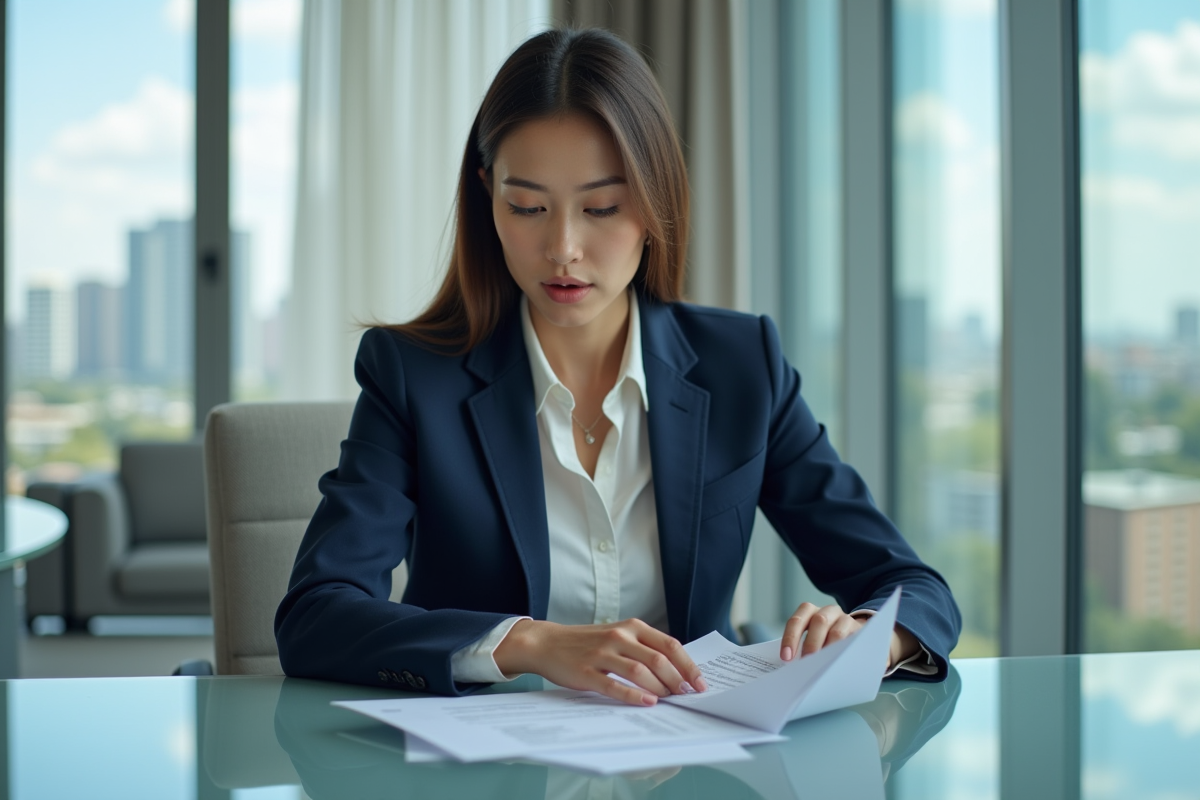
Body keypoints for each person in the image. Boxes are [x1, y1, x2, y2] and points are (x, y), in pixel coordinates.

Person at [275, 27, 961, 706]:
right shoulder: (413, 375)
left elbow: (914, 588)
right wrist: (531, 644)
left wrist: (871, 634)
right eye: (527, 207)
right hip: (483, 770)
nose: (563, 248)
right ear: (488, 197)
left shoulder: (741, 366)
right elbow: (315, 616)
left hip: (687, 763)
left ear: (654, 201)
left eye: (601, 207)